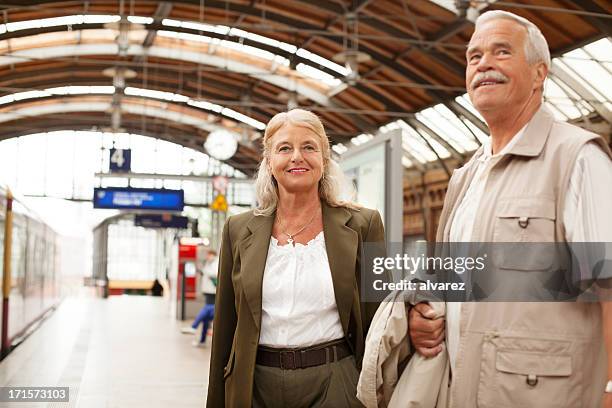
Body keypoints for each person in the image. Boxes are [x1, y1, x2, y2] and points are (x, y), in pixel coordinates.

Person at [409, 10, 612, 407]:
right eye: (474, 56)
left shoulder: (577, 159)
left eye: (502, 52)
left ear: (540, 73)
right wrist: (423, 317)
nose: (483, 63)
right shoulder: (465, 177)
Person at [206, 109, 385, 407]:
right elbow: (225, 326)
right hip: (253, 385)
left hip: (335, 383)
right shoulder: (237, 229)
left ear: (324, 160)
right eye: (285, 148)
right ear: (269, 161)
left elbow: (379, 319)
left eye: (309, 147)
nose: (297, 157)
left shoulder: (363, 225)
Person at [181, 250, 218, 347]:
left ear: (213, 255)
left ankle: (194, 326)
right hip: (208, 290)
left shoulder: (215, 262)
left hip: (212, 291)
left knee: (207, 309)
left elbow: (215, 273)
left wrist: (205, 271)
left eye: (209, 255)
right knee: (206, 318)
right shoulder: (209, 263)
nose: (208, 256)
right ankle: (202, 341)